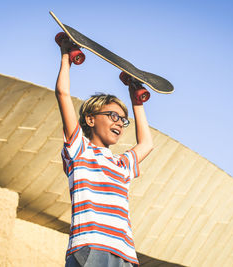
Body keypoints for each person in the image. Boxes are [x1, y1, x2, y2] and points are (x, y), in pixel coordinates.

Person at [56, 38, 153, 267]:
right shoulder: (79, 149)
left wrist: (136, 99)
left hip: (125, 256)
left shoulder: (122, 164)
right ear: (90, 119)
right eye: (112, 116)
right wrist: (65, 55)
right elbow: (62, 94)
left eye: (122, 119)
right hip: (91, 249)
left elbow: (147, 143)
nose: (119, 122)